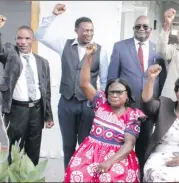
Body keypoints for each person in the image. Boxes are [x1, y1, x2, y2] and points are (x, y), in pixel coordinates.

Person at [34, 3, 110, 170]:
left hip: (89, 105)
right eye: (85, 30)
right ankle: (68, 176)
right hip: (67, 103)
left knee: (85, 146)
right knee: (68, 146)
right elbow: (39, 35)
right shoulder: (64, 45)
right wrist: (52, 15)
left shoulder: (101, 51)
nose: (88, 33)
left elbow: (104, 80)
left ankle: (83, 177)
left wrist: (101, 105)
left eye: (91, 30)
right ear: (76, 30)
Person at [63, 43, 145, 182]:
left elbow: (128, 145)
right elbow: (84, 84)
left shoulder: (132, 115)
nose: (114, 95)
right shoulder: (101, 102)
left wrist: (109, 162)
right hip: (90, 152)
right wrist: (88, 57)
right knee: (77, 173)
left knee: (108, 178)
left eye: (119, 92)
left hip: (118, 155)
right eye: (111, 92)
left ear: (127, 96)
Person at [0, 15, 54, 166]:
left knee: (34, 149)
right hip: (17, 111)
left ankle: (30, 178)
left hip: (37, 111)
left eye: (26, 38)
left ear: (33, 40)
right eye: (19, 38)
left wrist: (48, 116)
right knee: (16, 149)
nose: (22, 42)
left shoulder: (42, 62)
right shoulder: (11, 55)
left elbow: (46, 91)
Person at [106, 15, 164, 176]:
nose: (141, 29)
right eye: (137, 26)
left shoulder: (158, 50)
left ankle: (139, 176)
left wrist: (157, 102)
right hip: (125, 107)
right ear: (133, 28)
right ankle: (120, 176)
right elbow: (112, 77)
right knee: (121, 144)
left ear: (150, 30)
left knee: (144, 145)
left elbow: (162, 79)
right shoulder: (120, 47)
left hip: (148, 107)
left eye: (145, 26)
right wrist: (113, 103)